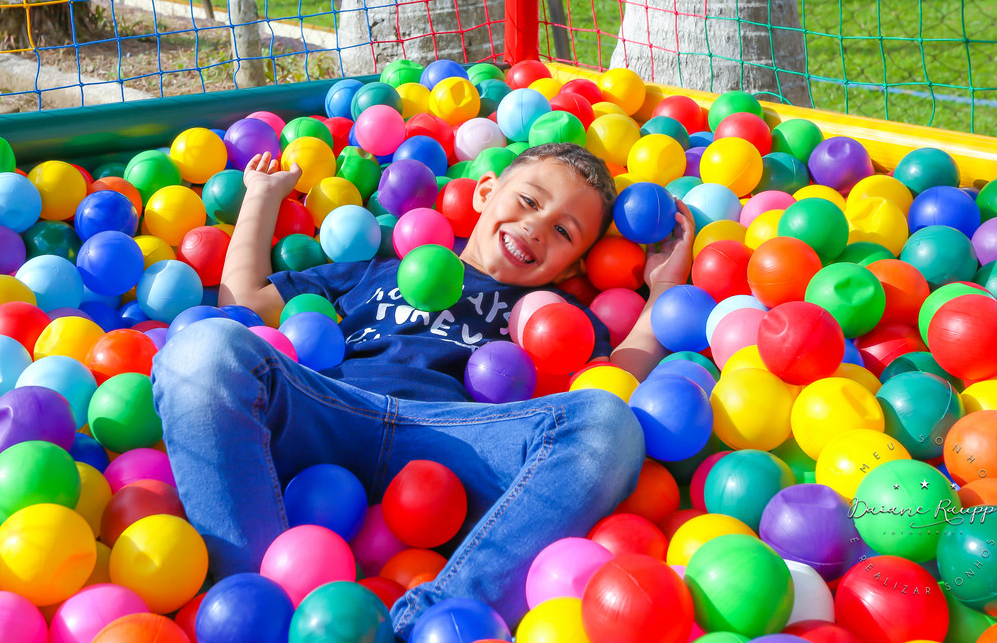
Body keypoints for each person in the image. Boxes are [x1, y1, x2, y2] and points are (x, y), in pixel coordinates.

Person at [152, 141, 696, 636]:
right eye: (529, 201)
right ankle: (257, 612)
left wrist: (664, 291)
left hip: (452, 445)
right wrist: (262, 196)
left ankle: (434, 623)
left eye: (563, 232)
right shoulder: (374, 272)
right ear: (484, 191)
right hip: (330, 408)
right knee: (203, 347)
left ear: (572, 265)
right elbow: (244, 304)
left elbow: (618, 378)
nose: (536, 227)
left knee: (609, 422)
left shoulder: (556, 316)